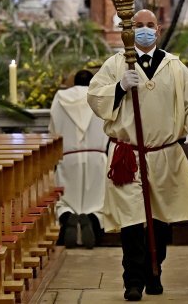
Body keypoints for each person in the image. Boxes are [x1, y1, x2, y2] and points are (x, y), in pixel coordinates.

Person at [87, 8, 188, 301]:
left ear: (158, 30)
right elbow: (95, 96)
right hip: (129, 156)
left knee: (160, 221)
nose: (144, 30)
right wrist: (119, 88)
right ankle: (132, 280)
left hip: (163, 155)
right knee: (131, 221)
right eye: (138, 25)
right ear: (127, 31)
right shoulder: (116, 64)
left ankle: (154, 272)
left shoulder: (174, 66)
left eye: (149, 25)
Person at [48, 69, 108, 249]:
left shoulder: (60, 97)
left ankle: (68, 219)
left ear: (74, 82)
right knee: (98, 201)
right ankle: (91, 220)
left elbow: (53, 129)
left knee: (65, 200)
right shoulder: (100, 97)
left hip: (68, 158)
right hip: (96, 157)